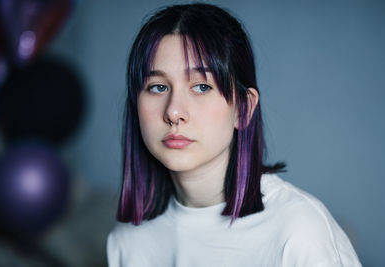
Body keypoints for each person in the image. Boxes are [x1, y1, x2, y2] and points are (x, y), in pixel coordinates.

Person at [107, 3, 362, 266]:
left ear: (243, 108)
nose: (173, 112)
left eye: (201, 87)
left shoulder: (298, 231)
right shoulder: (127, 239)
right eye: (158, 87)